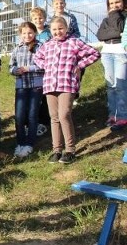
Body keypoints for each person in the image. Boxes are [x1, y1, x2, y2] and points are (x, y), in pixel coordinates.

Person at [33, 17, 99, 164]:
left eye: (60, 28)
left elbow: (94, 53)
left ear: (66, 28)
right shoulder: (47, 45)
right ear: (50, 30)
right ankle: (56, 150)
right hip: (50, 85)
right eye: (54, 29)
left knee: (64, 115)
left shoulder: (74, 42)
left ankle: (70, 150)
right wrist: (46, 65)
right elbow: (37, 58)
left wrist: (80, 65)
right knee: (54, 117)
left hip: (67, 85)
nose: (58, 32)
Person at [9, 22, 44, 158]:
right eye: (24, 33)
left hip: (36, 86)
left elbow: (43, 65)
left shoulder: (40, 46)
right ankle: (20, 143)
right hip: (21, 86)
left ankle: (29, 144)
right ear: (20, 35)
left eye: (30, 33)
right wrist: (15, 70)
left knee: (32, 115)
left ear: (34, 33)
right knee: (19, 116)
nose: (27, 35)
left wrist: (28, 68)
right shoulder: (17, 48)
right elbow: (11, 67)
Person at [97, 0, 127, 131]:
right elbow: (100, 35)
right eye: (111, 3)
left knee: (121, 86)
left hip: (121, 53)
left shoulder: (124, 17)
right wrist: (115, 33)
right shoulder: (105, 20)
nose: (114, 5)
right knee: (111, 86)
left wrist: (116, 15)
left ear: (123, 2)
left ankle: (122, 116)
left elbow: (120, 28)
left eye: (117, 2)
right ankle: (112, 115)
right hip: (107, 53)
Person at [30, 7, 51, 137]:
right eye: (35, 18)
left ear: (44, 18)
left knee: (45, 96)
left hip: (46, 67)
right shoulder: (31, 32)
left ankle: (45, 121)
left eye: (40, 18)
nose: (38, 20)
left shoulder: (48, 33)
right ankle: (34, 121)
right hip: (33, 68)